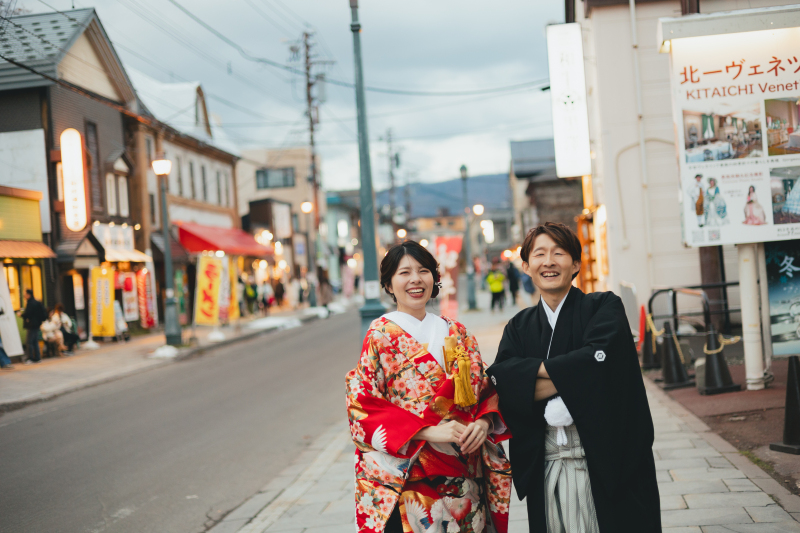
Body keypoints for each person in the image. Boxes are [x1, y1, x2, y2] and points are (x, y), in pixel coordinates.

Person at [487, 222, 660, 533]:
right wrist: (579, 374)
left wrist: (530, 373)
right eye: (539, 254)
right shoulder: (520, 325)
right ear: (526, 266)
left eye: (559, 253)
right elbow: (501, 381)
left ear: (576, 263)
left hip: (606, 461)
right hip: (547, 461)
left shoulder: (603, 306)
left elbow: (606, 364)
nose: (549, 261)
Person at [346, 240, 512, 533]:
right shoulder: (381, 336)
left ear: (434, 279)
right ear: (388, 283)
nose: (415, 280)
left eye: (423, 271)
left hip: (464, 470)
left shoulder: (457, 332)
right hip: (413, 474)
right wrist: (428, 431)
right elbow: (363, 404)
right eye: (404, 272)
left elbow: (485, 390)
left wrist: (484, 423)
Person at [18, 289, 47, 364]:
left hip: (31, 325)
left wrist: (21, 315)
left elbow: (28, 314)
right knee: (35, 341)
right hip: (37, 324)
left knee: (29, 341)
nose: (24, 296)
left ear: (29, 295)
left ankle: (30, 358)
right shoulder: (37, 302)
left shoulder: (30, 303)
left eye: (25, 294)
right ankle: (37, 357)